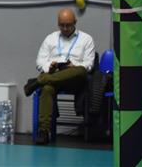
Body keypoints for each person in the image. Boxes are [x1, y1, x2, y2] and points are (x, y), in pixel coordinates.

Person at [23, 8, 96, 145]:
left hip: (75, 79)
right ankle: (44, 131)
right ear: (58, 24)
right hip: (55, 75)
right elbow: (40, 62)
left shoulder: (86, 39)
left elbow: (89, 65)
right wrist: (49, 67)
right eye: (62, 25)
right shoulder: (50, 39)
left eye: (68, 25)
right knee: (47, 89)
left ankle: (39, 80)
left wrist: (73, 66)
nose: (65, 28)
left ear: (75, 22)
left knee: (81, 70)